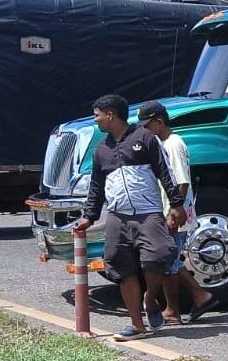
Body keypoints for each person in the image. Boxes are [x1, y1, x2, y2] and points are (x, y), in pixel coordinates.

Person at [73, 94, 186, 341]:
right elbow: (96, 187)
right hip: (117, 217)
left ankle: (150, 298)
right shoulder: (102, 149)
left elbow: (164, 171)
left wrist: (176, 204)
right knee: (122, 267)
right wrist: (89, 217)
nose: (96, 120)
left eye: (97, 115)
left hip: (149, 214)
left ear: (111, 114)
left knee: (159, 255)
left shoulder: (145, 138)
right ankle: (137, 325)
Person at [136, 101, 219, 326]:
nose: (144, 131)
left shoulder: (172, 145)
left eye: (147, 125)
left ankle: (173, 310)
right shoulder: (163, 143)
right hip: (169, 209)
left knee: (167, 262)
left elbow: (181, 182)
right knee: (169, 259)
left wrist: (174, 210)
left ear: (159, 122)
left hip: (175, 212)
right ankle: (200, 296)